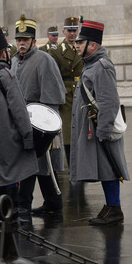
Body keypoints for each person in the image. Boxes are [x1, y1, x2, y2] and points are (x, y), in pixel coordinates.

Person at [71, 20, 129, 225]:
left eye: (81, 42)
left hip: (100, 129)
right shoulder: (92, 65)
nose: (76, 45)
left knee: (109, 168)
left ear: (93, 45)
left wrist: (102, 132)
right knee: (106, 169)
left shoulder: (102, 66)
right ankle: (111, 205)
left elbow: (109, 102)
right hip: (94, 128)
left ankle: (115, 207)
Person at [10, 15, 66, 219]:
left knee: (38, 162)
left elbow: (53, 96)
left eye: (25, 40)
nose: (21, 43)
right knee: (37, 164)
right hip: (22, 121)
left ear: (33, 41)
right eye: (19, 40)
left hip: (41, 122)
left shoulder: (45, 60)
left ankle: (24, 205)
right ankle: (53, 201)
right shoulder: (14, 61)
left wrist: (47, 127)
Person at [0, 27, 38, 211]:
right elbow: (19, 111)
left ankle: (2, 217)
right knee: (13, 175)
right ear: (4, 53)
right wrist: (28, 137)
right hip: (9, 139)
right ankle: (12, 219)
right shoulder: (8, 76)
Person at [48, 17, 84, 168]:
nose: (72, 34)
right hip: (66, 96)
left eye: (74, 30)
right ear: (63, 31)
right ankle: (72, 166)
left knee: (81, 132)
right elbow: (52, 76)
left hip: (80, 93)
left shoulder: (82, 48)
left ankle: (80, 167)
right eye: (69, 31)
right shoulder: (56, 51)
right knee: (68, 134)